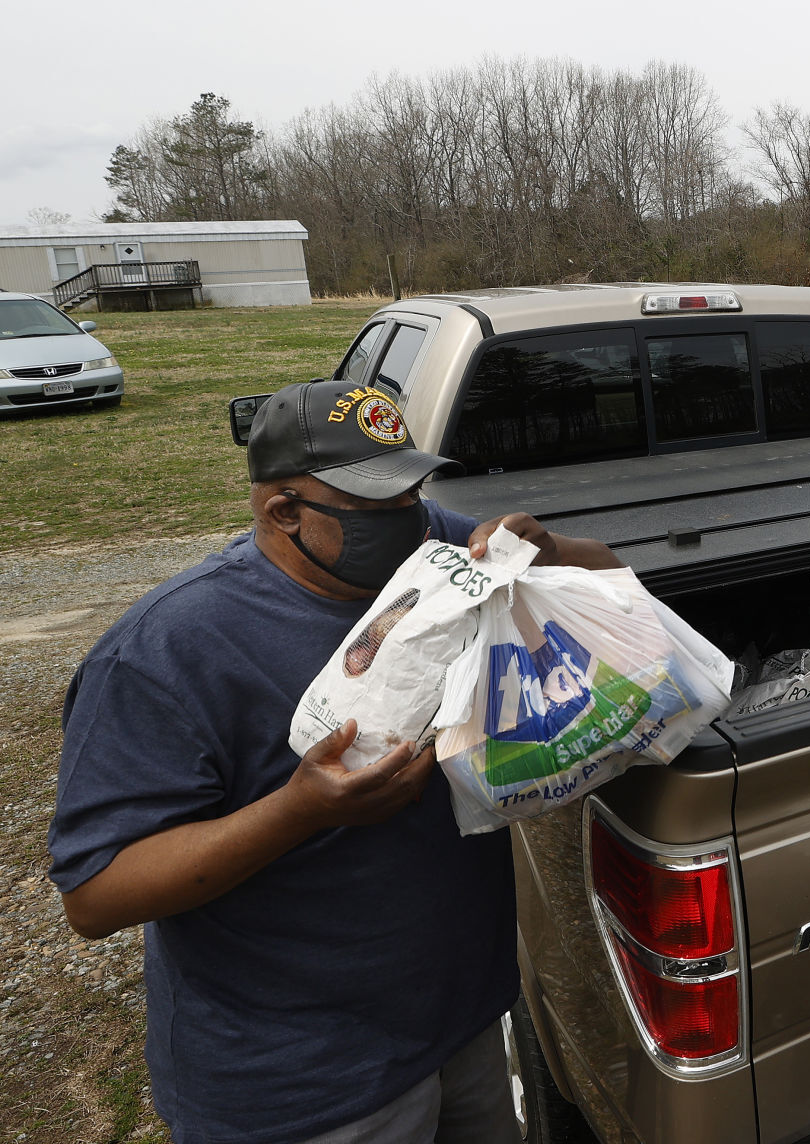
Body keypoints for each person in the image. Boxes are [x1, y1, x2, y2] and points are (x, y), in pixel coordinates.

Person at [48, 380, 621, 1143]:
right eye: (378, 507)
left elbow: (611, 582)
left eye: (415, 491)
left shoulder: (431, 550)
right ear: (283, 511)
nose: (412, 520)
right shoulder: (168, 653)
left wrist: (550, 551)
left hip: (465, 1022)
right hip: (304, 1081)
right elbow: (95, 896)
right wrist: (301, 810)